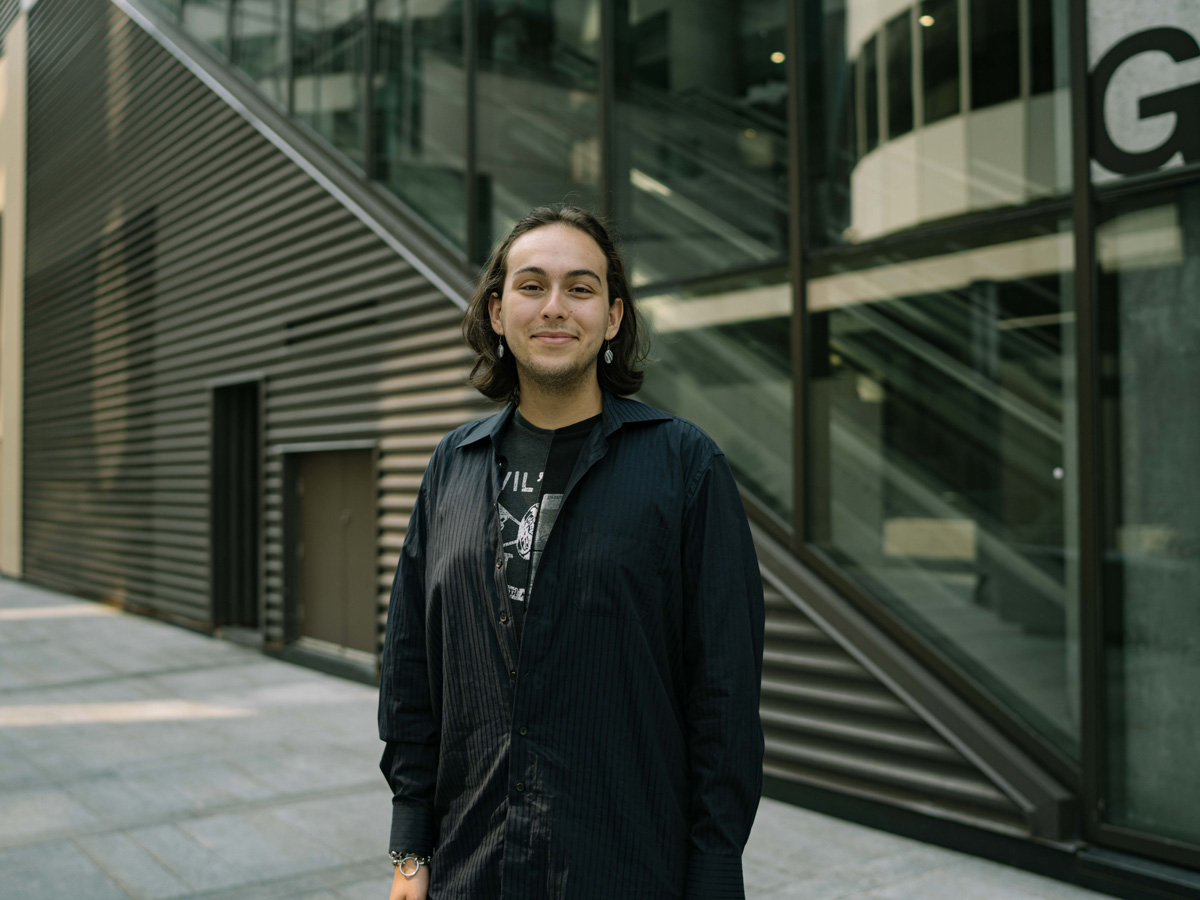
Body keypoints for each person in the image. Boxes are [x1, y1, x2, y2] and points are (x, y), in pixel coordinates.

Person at [378, 205, 765, 900]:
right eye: (532, 286)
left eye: (580, 288)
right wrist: (411, 846)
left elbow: (725, 690)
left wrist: (715, 869)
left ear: (613, 318)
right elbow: (412, 661)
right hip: (473, 865)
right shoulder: (452, 465)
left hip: (626, 867)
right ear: (497, 313)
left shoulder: (685, 465)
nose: (555, 307)